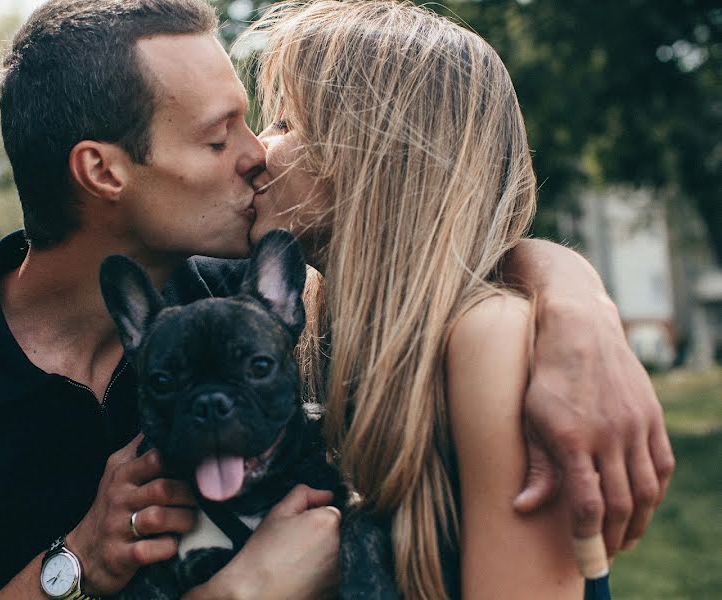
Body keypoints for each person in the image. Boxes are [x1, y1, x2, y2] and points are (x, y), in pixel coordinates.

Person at [0, 0, 671, 598]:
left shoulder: (253, 312)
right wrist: (86, 561)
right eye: (222, 133)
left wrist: (577, 307)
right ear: (104, 170)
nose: (258, 154)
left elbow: (429, 255)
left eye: (269, 124)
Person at [239, 0, 673, 597]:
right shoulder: (318, 337)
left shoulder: (491, 341)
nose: (255, 152)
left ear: (372, 154)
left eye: (286, 123)